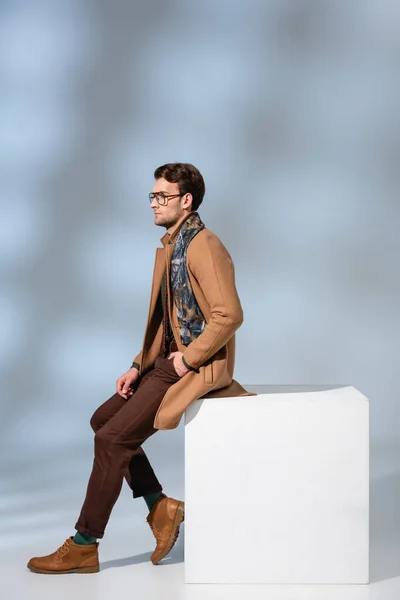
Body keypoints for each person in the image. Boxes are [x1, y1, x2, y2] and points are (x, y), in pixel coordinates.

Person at [27, 162, 249, 575]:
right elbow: (168, 317)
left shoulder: (204, 245)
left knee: (112, 440)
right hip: (165, 362)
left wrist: (189, 358)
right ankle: (160, 507)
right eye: (152, 195)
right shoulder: (173, 244)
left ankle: (84, 543)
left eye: (162, 196)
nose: (153, 203)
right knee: (103, 421)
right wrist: (136, 365)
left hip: (190, 366)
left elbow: (229, 314)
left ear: (186, 201)